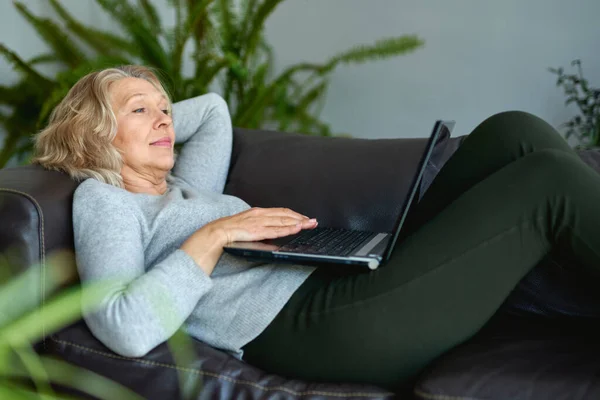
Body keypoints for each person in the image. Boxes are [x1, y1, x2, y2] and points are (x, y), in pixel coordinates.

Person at [32, 65, 600, 391]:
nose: (163, 119)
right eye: (140, 110)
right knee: (545, 179)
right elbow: (124, 329)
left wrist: (142, 110)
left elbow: (211, 111)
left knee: (514, 133)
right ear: (95, 134)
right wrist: (211, 237)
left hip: (344, 286)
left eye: (163, 110)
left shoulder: (182, 186)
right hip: (318, 329)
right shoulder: (105, 200)